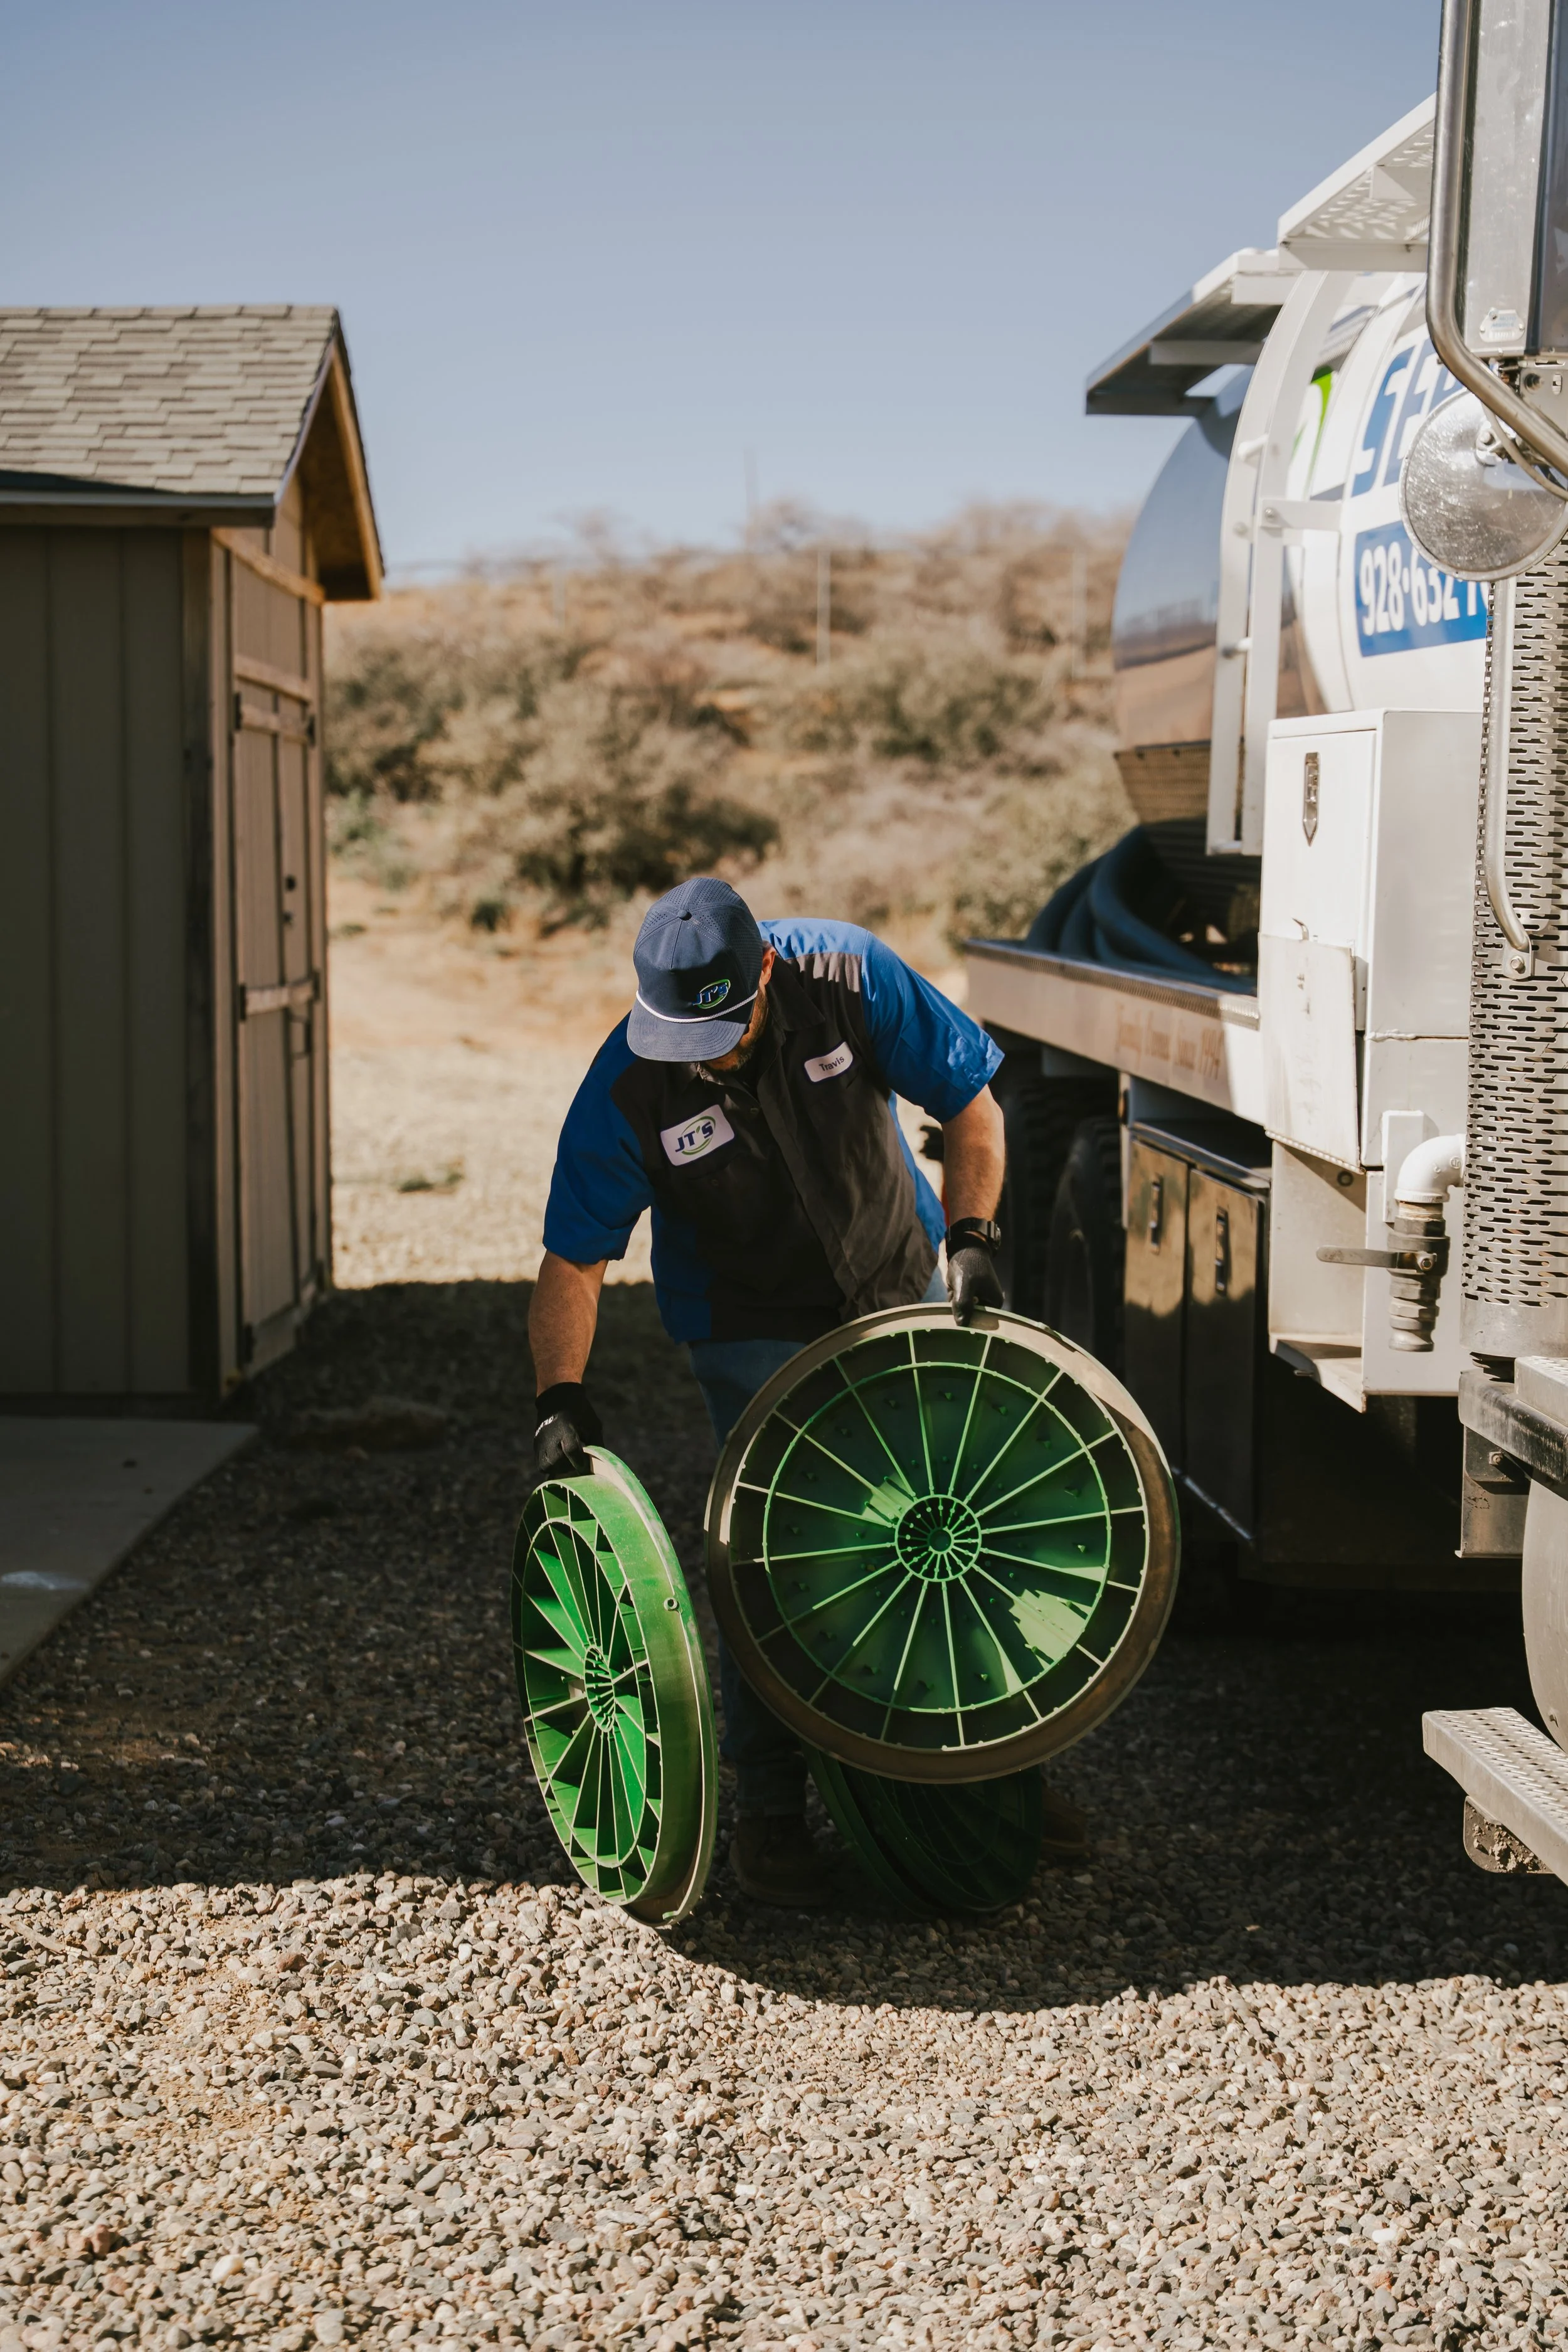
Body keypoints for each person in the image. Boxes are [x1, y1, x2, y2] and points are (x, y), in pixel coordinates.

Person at [529, 875, 1088, 1904]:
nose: (703, 1059)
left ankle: (994, 1774)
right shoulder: (629, 1084)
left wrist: (971, 1238)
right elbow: (575, 1259)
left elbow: (969, 1099)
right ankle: (771, 1810)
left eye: (723, 1033)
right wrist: (560, 1395)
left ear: (767, 974)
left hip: (895, 1279)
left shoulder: (850, 973)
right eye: (679, 1042)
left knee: (946, 1529)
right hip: (749, 1328)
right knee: (771, 1557)